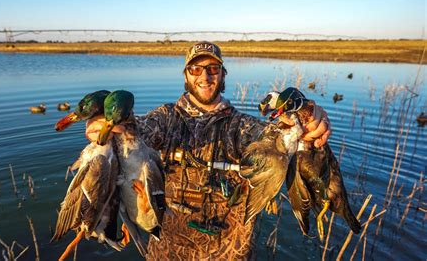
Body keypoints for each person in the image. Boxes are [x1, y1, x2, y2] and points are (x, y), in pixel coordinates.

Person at [85, 41, 331, 260]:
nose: (205, 75)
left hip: (230, 252)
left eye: (213, 69)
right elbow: (139, 130)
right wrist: (114, 125)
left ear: (223, 75)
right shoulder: (166, 118)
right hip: (168, 250)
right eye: (195, 69)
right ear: (186, 76)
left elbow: (274, 138)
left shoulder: (241, 126)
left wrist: (305, 119)